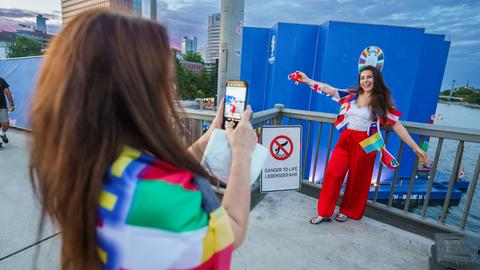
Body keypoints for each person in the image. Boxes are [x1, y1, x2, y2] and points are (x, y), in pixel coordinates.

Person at [29, 9, 257, 270]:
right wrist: (242, 152)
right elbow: (232, 231)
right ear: (133, 91)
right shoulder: (165, 199)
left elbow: (157, 169)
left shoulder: (88, 163)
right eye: (164, 79)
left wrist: (213, 132)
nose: (172, 91)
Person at [294, 66, 428, 224]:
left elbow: (396, 125)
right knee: (333, 174)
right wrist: (307, 80)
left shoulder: (381, 102)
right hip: (345, 139)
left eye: (369, 77)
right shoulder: (351, 96)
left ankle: (347, 211)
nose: (366, 80)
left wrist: (415, 147)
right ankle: (324, 212)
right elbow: (329, 89)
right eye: (363, 77)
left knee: (358, 179)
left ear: (376, 78)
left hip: (366, 142)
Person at [0, 77, 14, 149]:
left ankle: (2, 134)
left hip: (2, 107)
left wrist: (11, 104)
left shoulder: (1, 80)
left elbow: (7, 92)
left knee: (5, 125)